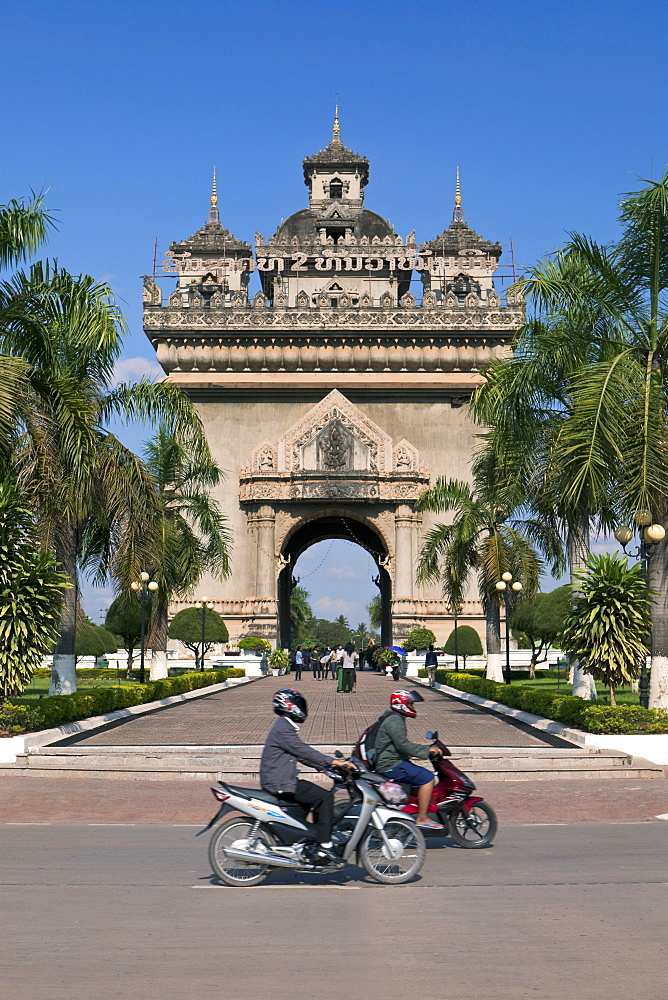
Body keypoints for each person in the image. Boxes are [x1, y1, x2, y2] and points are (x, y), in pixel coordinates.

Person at [259, 688, 355, 863]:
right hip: (280, 783)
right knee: (324, 798)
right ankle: (324, 845)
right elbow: (304, 751)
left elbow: (299, 754)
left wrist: (325, 769)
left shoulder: (284, 725)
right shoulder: (284, 729)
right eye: (300, 705)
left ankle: (306, 843)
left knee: (309, 804)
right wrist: (335, 762)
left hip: (279, 780)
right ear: (290, 707)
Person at [374, 689, 443, 830]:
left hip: (392, 761)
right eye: (410, 704)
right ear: (401, 704)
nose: (413, 707)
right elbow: (403, 745)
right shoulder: (394, 720)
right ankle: (422, 818)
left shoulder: (394, 717)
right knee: (428, 777)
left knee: (418, 777)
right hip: (390, 764)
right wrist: (427, 750)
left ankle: (411, 810)